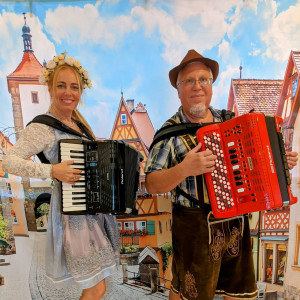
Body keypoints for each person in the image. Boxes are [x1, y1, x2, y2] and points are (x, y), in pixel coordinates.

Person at [144, 49, 298, 300]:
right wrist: (185, 169)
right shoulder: (169, 133)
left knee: (239, 295)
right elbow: (151, 183)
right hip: (194, 227)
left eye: (204, 79)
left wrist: (280, 163)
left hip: (235, 223)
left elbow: (253, 167)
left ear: (211, 84)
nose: (197, 86)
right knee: (191, 295)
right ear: (179, 88)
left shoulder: (230, 121)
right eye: (189, 81)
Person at [2, 52, 119, 299]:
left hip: (93, 213)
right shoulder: (42, 127)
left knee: (99, 286)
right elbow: (9, 161)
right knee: (95, 288)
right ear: (50, 88)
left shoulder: (78, 123)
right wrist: (52, 171)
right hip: (73, 216)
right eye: (61, 86)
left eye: (74, 87)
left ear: (81, 91)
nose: (69, 93)